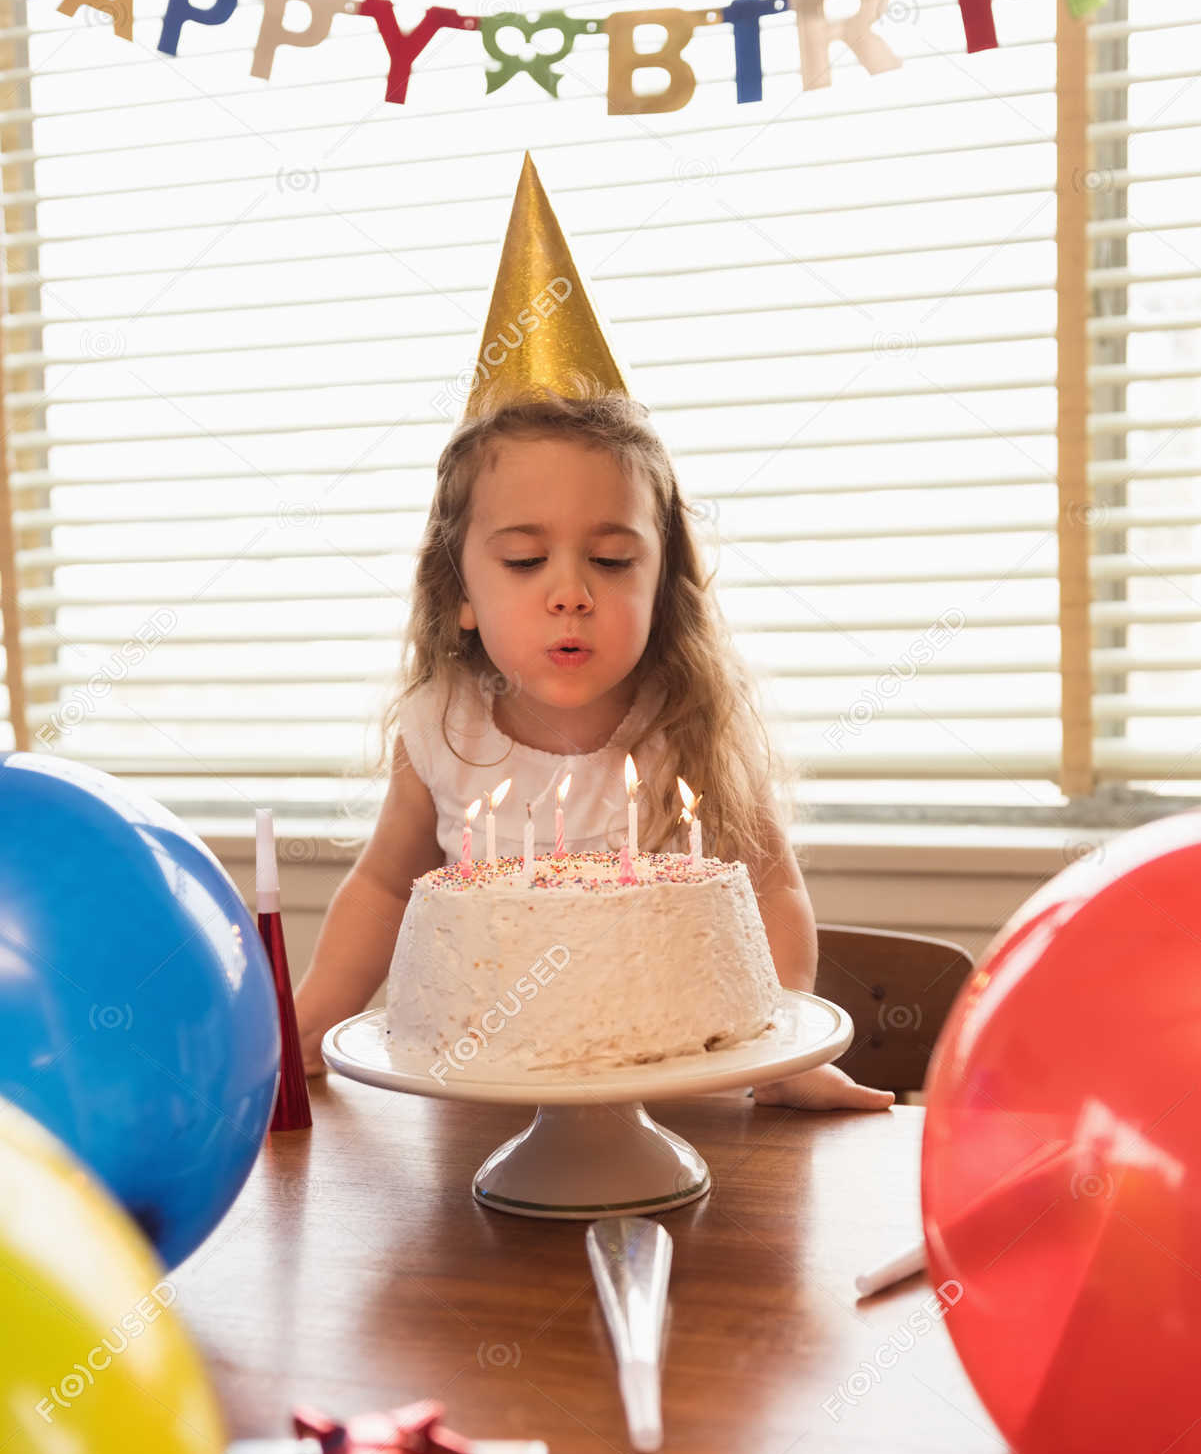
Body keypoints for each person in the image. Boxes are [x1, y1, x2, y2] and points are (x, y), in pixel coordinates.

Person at [295, 388, 893, 1113]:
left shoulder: (689, 725)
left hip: (677, 1093)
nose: (571, 593)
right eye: (523, 560)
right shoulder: (439, 727)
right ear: (460, 593)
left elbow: (769, 889)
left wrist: (778, 1043)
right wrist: (311, 1023)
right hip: (487, 1100)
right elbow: (387, 886)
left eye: (611, 560)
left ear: (660, 585)